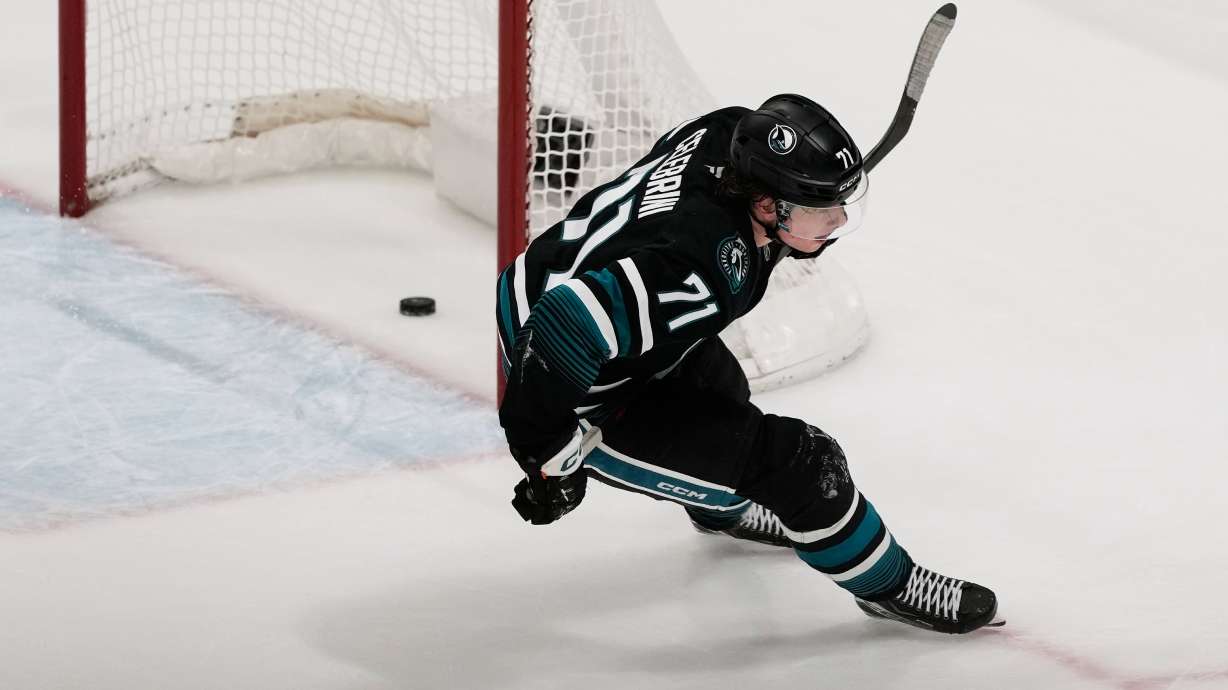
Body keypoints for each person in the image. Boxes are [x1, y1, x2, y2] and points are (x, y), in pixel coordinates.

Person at [495, 94, 1000, 634]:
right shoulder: (698, 268)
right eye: (820, 208)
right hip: (574, 378)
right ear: (764, 206)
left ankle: (719, 510)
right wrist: (546, 455)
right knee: (802, 466)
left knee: (722, 391)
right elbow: (564, 323)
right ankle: (890, 586)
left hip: (557, 282)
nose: (840, 218)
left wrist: (810, 192)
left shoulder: (729, 133)